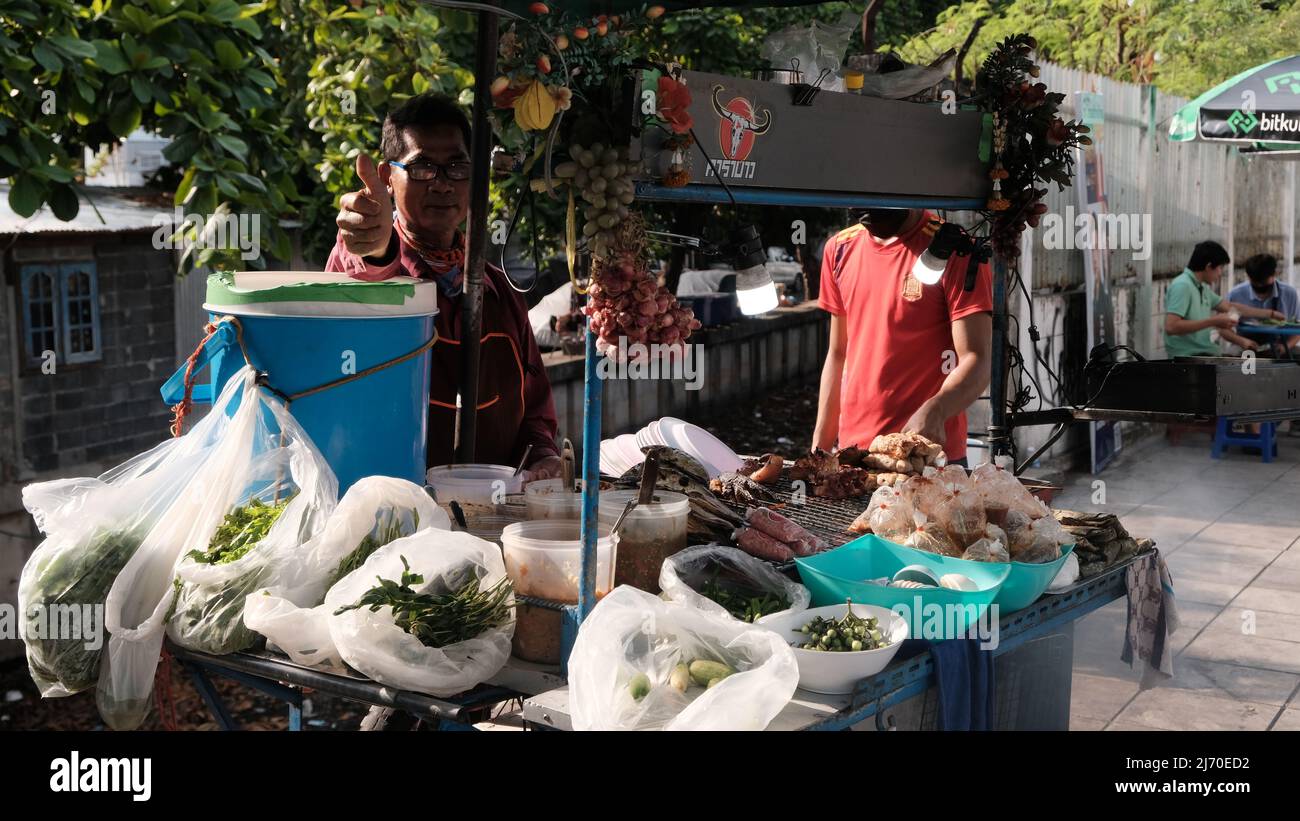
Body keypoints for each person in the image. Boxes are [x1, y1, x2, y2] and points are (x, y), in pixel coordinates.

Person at [327, 93, 561, 480]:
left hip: (490, 520)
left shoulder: (499, 291)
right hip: (393, 521)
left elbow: (535, 410)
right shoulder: (373, 263)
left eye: (456, 167)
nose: (441, 184)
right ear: (387, 177)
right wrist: (374, 245)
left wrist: (542, 457)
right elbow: (367, 272)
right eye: (421, 168)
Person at [812, 208, 993, 467]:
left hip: (928, 456)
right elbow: (839, 353)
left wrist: (938, 410)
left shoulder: (954, 247)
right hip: (854, 455)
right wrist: (820, 448)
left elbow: (977, 357)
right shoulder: (840, 248)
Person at [1163, 241, 1285, 357]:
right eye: (1220, 268)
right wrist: (1213, 321)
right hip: (1188, 357)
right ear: (1209, 266)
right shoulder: (1183, 286)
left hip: (1206, 353)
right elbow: (1171, 327)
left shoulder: (1201, 286)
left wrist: (1270, 314)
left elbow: (1231, 307)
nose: (1220, 273)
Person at [1227, 253, 1299, 357]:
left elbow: (1297, 328)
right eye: (1256, 283)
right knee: (1231, 355)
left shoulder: (1289, 293)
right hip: (1245, 344)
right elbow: (1223, 329)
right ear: (1248, 277)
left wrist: (1285, 347)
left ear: (1275, 274)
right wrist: (1242, 341)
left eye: (1263, 282)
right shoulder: (1236, 294)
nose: (1260, 286)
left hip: (1280, 343)